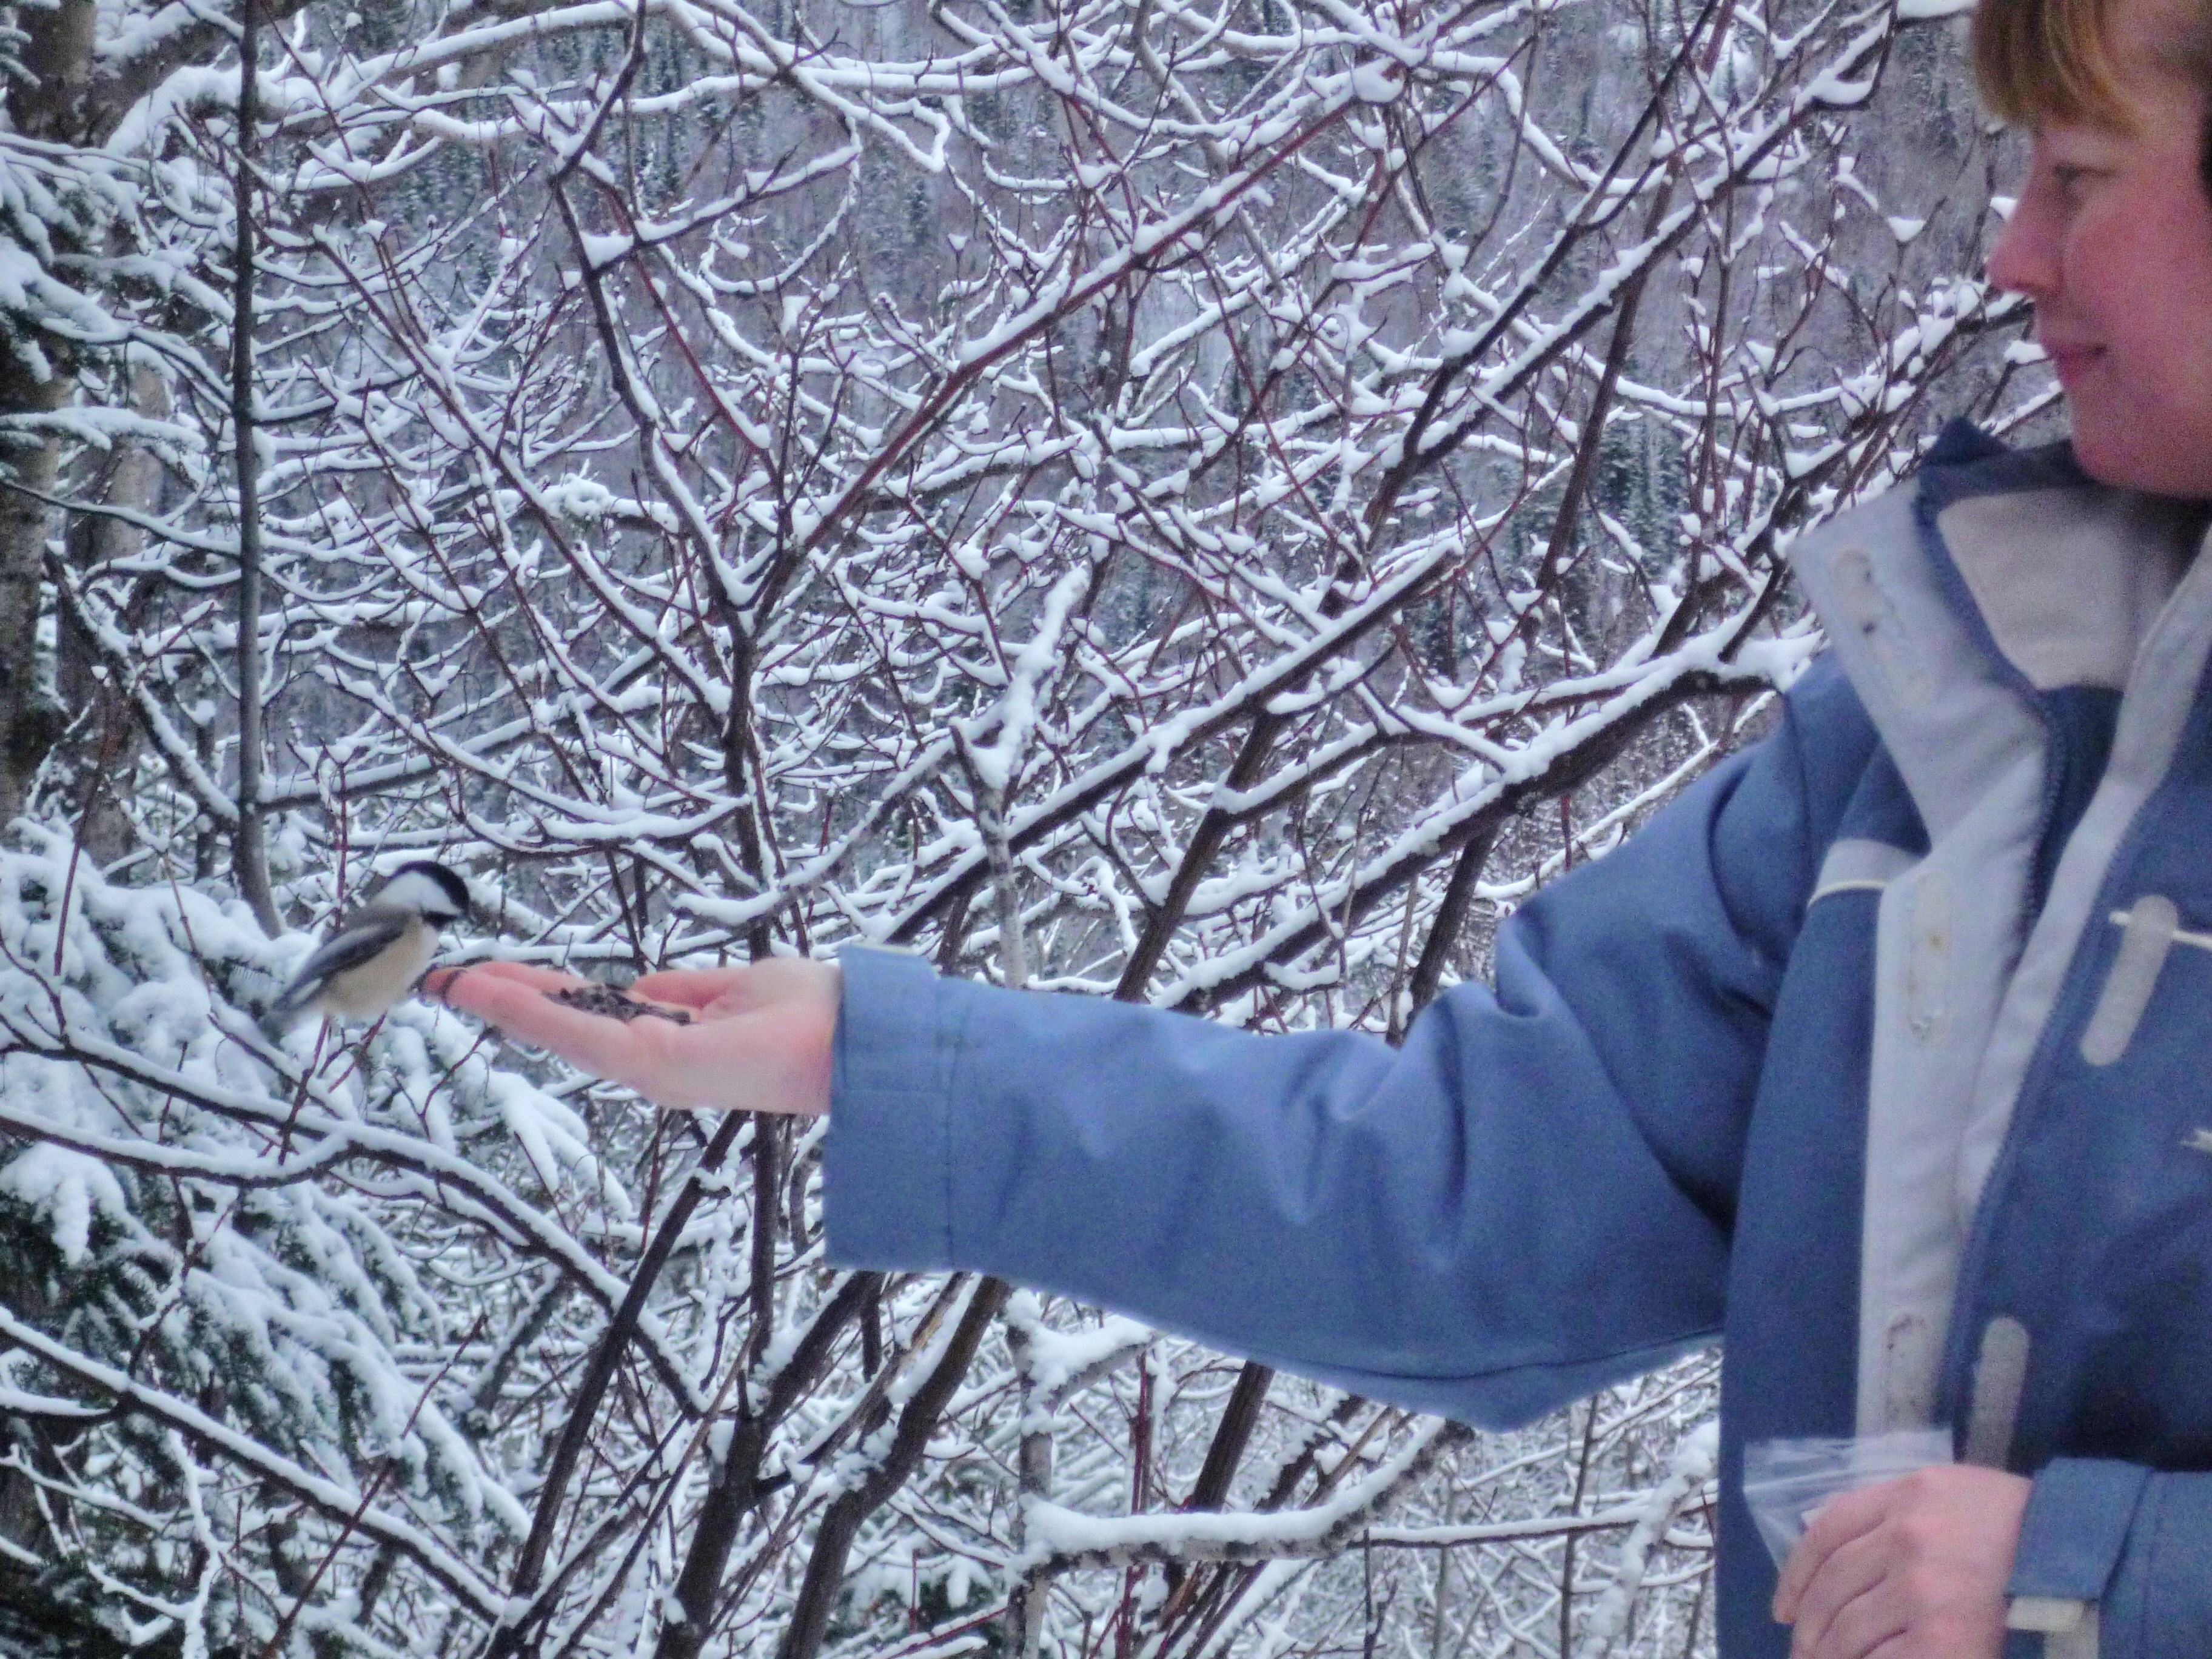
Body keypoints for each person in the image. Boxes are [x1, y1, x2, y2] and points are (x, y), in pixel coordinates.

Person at [434, 0, 2212, 1649]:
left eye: (2079, 174)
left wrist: (2105, 1587)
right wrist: (889, 1059)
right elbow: (1462, 1192)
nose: (2015, 253)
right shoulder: (1962, 729)